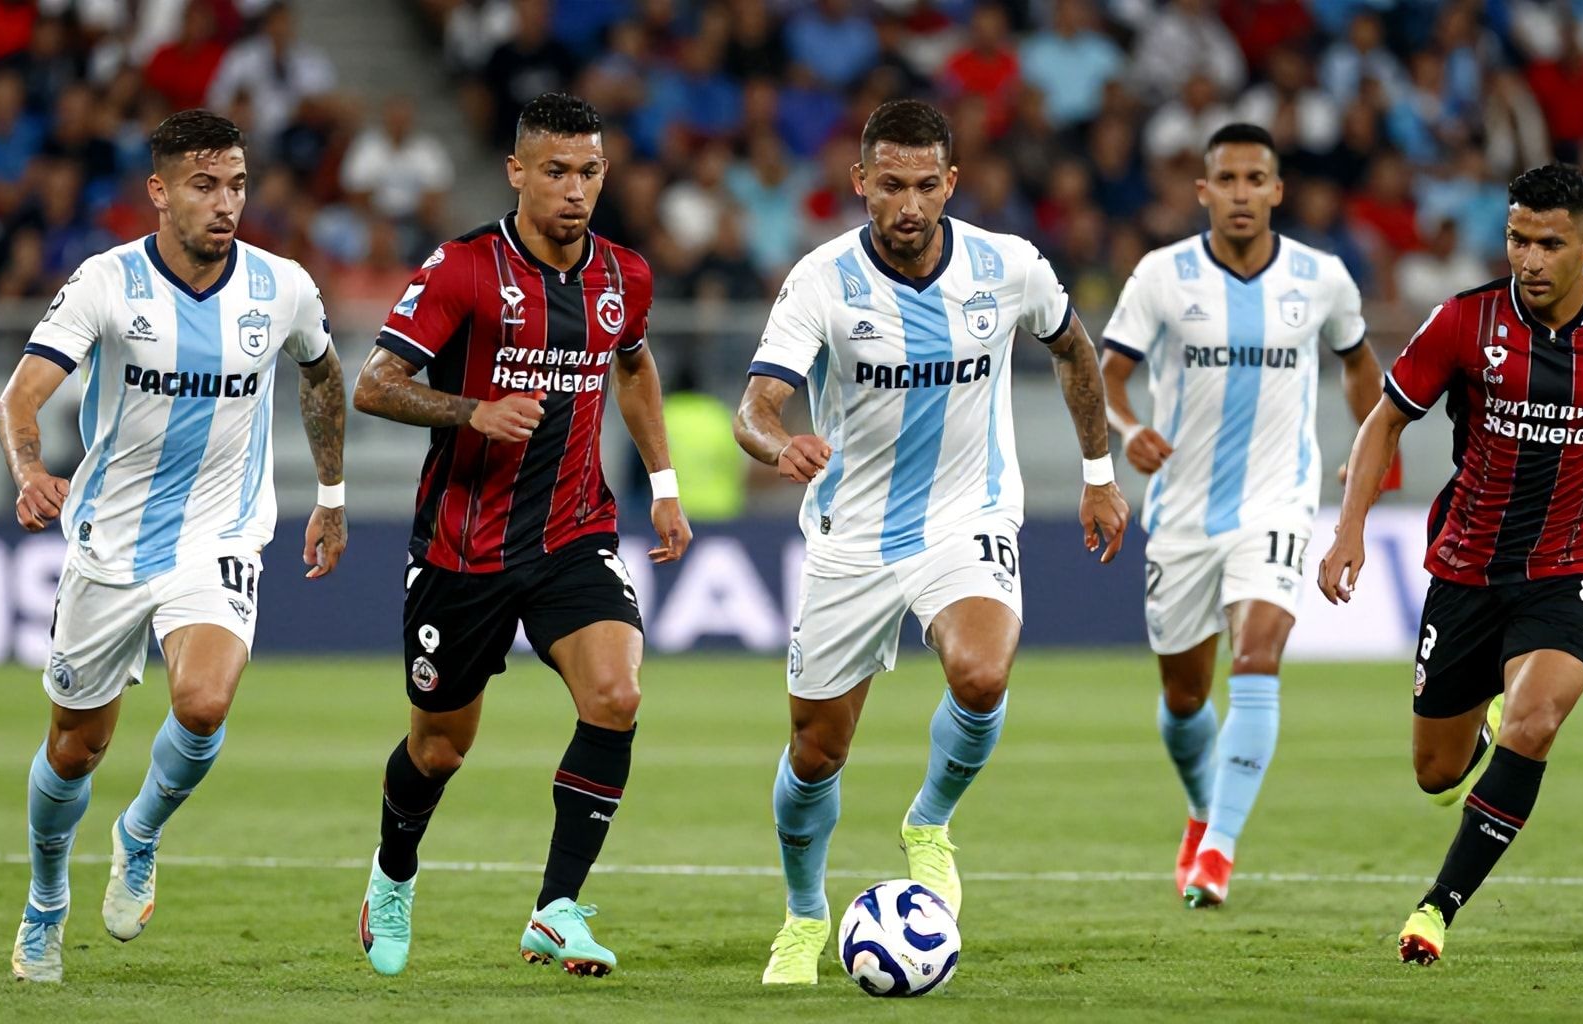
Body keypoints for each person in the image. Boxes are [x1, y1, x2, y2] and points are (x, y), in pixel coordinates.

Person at [733, 98, 1130, 985]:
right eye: (889, 186)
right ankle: (804, 917)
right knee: (816, 751)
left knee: (982, 672)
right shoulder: (822, 280)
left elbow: (1074, 349)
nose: (908, 205)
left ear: (952, 183)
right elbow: (755, 408)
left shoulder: (1009, 266)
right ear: (860, 184)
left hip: (969, 514)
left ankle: (927, 821)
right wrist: (780, 442)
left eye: (925, 186)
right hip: (852, 535)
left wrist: (1099, 473)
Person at [1317, 163, 1583, 964]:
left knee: (1536, 721)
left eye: (1548, 243)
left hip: (1575, 566)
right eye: (1516, 240)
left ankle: (1435, 908)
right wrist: (1350, 528)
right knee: (1435, 773)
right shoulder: (1463, 322)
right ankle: (1481, 721)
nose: (1529, 259)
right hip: (1466, 569)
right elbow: (1384, 422)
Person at [0, 109, 348, 983]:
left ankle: (140, 834)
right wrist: (32, 470)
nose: (226, 202)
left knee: (203, 702)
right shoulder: (104, 283)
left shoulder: (283, 288)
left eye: (235, 183)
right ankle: (45, 900)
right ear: (159, 191)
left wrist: (331, 495)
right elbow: (20, 398)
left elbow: (322, 374)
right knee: (75, 749)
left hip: (219, 532)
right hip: (109, 543)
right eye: (203, 185)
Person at [349, 93, 690, 979]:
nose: (575, 190)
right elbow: (376, 385)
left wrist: (664, 484)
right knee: (439, 748)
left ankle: (556, 909)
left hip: (575, 532)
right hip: (463, 549)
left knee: (615, 696)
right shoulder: (462, 269)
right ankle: (393, 872)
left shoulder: (625, 276)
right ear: (516, 172)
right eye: (555, 172)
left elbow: (636, 363)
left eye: (589, 172)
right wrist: (473, 410)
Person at [1099, 123, 1382, 909]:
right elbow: (1107, 374)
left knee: (1256, 657)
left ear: (1278, 190)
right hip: (1183, 513)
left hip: (1278, 502)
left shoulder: (1322, 278)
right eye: (1226, 180)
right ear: (1203, 192)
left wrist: (1370, 453)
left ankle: (1218, 852)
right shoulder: (1162, 276)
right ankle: (1200, 812)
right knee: (1186, 698)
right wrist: (1129, 432)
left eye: (1257, 178)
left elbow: (1360, 366)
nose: (1242, 193)